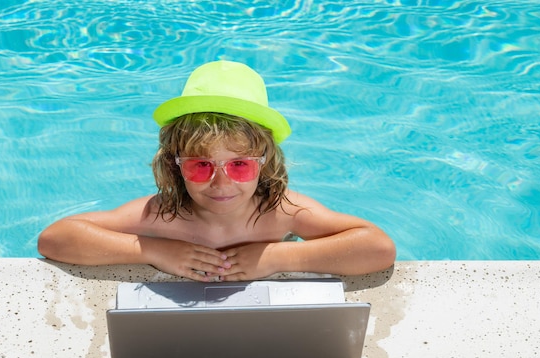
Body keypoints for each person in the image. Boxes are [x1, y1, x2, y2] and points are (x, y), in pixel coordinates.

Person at [38, 60, 396, 281]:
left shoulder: (281, 212)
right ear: (175, 167)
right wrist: (152, 251)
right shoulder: (163, 214)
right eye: (201, 165)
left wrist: (278, 257)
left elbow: (377, 248)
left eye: (239, 165)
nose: (220, 182)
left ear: (264, 163)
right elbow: (56, 239)